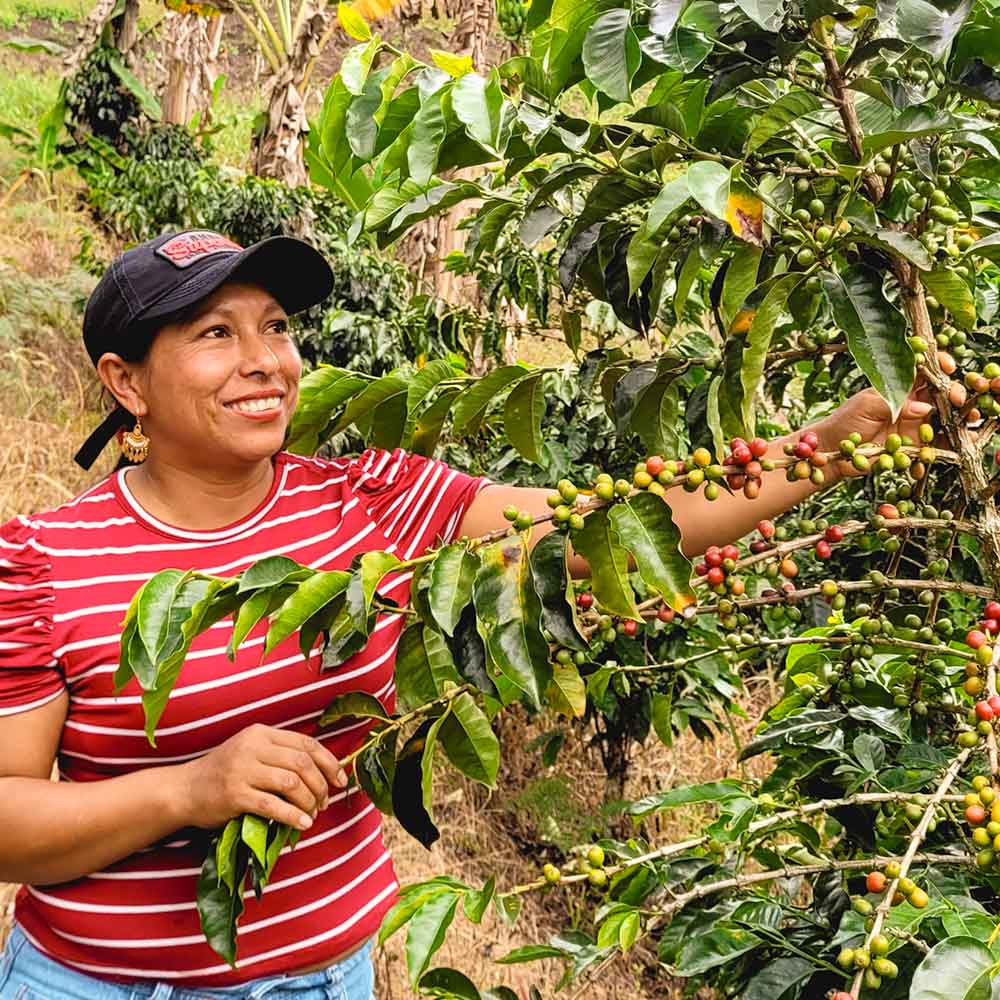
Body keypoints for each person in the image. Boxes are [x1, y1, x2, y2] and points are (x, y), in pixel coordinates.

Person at [0, 229, 932, 999]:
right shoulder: (41, 562)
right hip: (100, 984)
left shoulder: (372, 501)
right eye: (214, 334)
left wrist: (839, 442)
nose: (265, 363)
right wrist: (186, 790)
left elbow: (607, 527)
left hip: (323, 978)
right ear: (127, 385)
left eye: (276, 327)